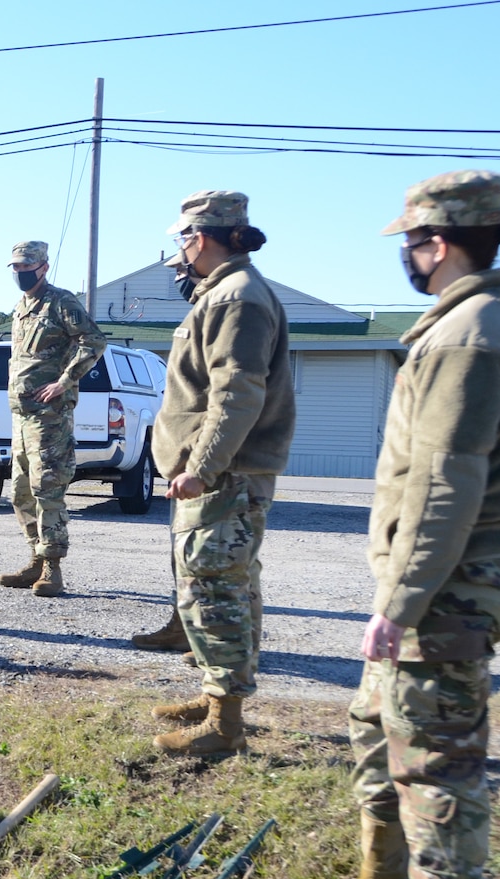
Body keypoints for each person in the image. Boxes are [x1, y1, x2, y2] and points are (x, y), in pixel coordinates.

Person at [337, 171, 500, 879]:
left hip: (456, 572)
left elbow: (444, 481)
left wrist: (399, 601)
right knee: (375, 715)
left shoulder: (469, 336)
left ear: (437, 242)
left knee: (434, 747)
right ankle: (382, 868)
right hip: (469, 563)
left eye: (409, 242)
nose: (406, 255)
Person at [148, 191, 295, 755]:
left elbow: (237, 394)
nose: (180, 253)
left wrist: (203, 469)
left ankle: (224, 726)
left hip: (224, 477)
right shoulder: (226, 293)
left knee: (216, 592)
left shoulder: (238, 298)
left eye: (182, 239)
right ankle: (217, 698)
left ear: (199, 237)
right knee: (226, 587)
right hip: (220, 476)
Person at [0, 241, 105, 598]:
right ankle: (34, 560)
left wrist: (65, 380)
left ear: (43, 266)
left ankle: (52, 568)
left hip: (49, 417)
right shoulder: (21, 308)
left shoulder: (61, 302)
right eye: (15, 267)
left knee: (48, 489)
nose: (20, 272)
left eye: (26, 266)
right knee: (20, 492)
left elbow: (93, 341)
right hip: (21, 416)